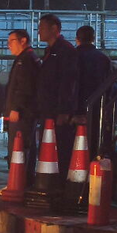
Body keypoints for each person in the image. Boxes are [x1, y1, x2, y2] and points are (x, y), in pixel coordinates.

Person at [37, 14, 81, 167]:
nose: (38, 32)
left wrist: (64, 110)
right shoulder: (50, 51)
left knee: (59, 148)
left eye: (41, 28)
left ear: (54, 28)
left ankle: (60, 182)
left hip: (57, 111)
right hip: (48, 109)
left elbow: (68, 81)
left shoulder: (65, 51)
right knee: (47, 147)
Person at [2, 29, 40, 189]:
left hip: (23, 115)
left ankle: (18, 184)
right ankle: (20, 183)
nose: (8, 45)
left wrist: (16, 108)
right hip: (22, 113)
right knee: (22, 149)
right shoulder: (23, 59)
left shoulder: (26, 60)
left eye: (12, 41)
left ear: (23, 40)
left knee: (19, 149)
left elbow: (24, 87)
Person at [75, 25, 114, 157]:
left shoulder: (72, 57)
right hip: (99, 107)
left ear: (77, 39)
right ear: (93, 38)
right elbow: (111, 85)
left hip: (75, 108)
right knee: (95, 141)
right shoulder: (103, 58)